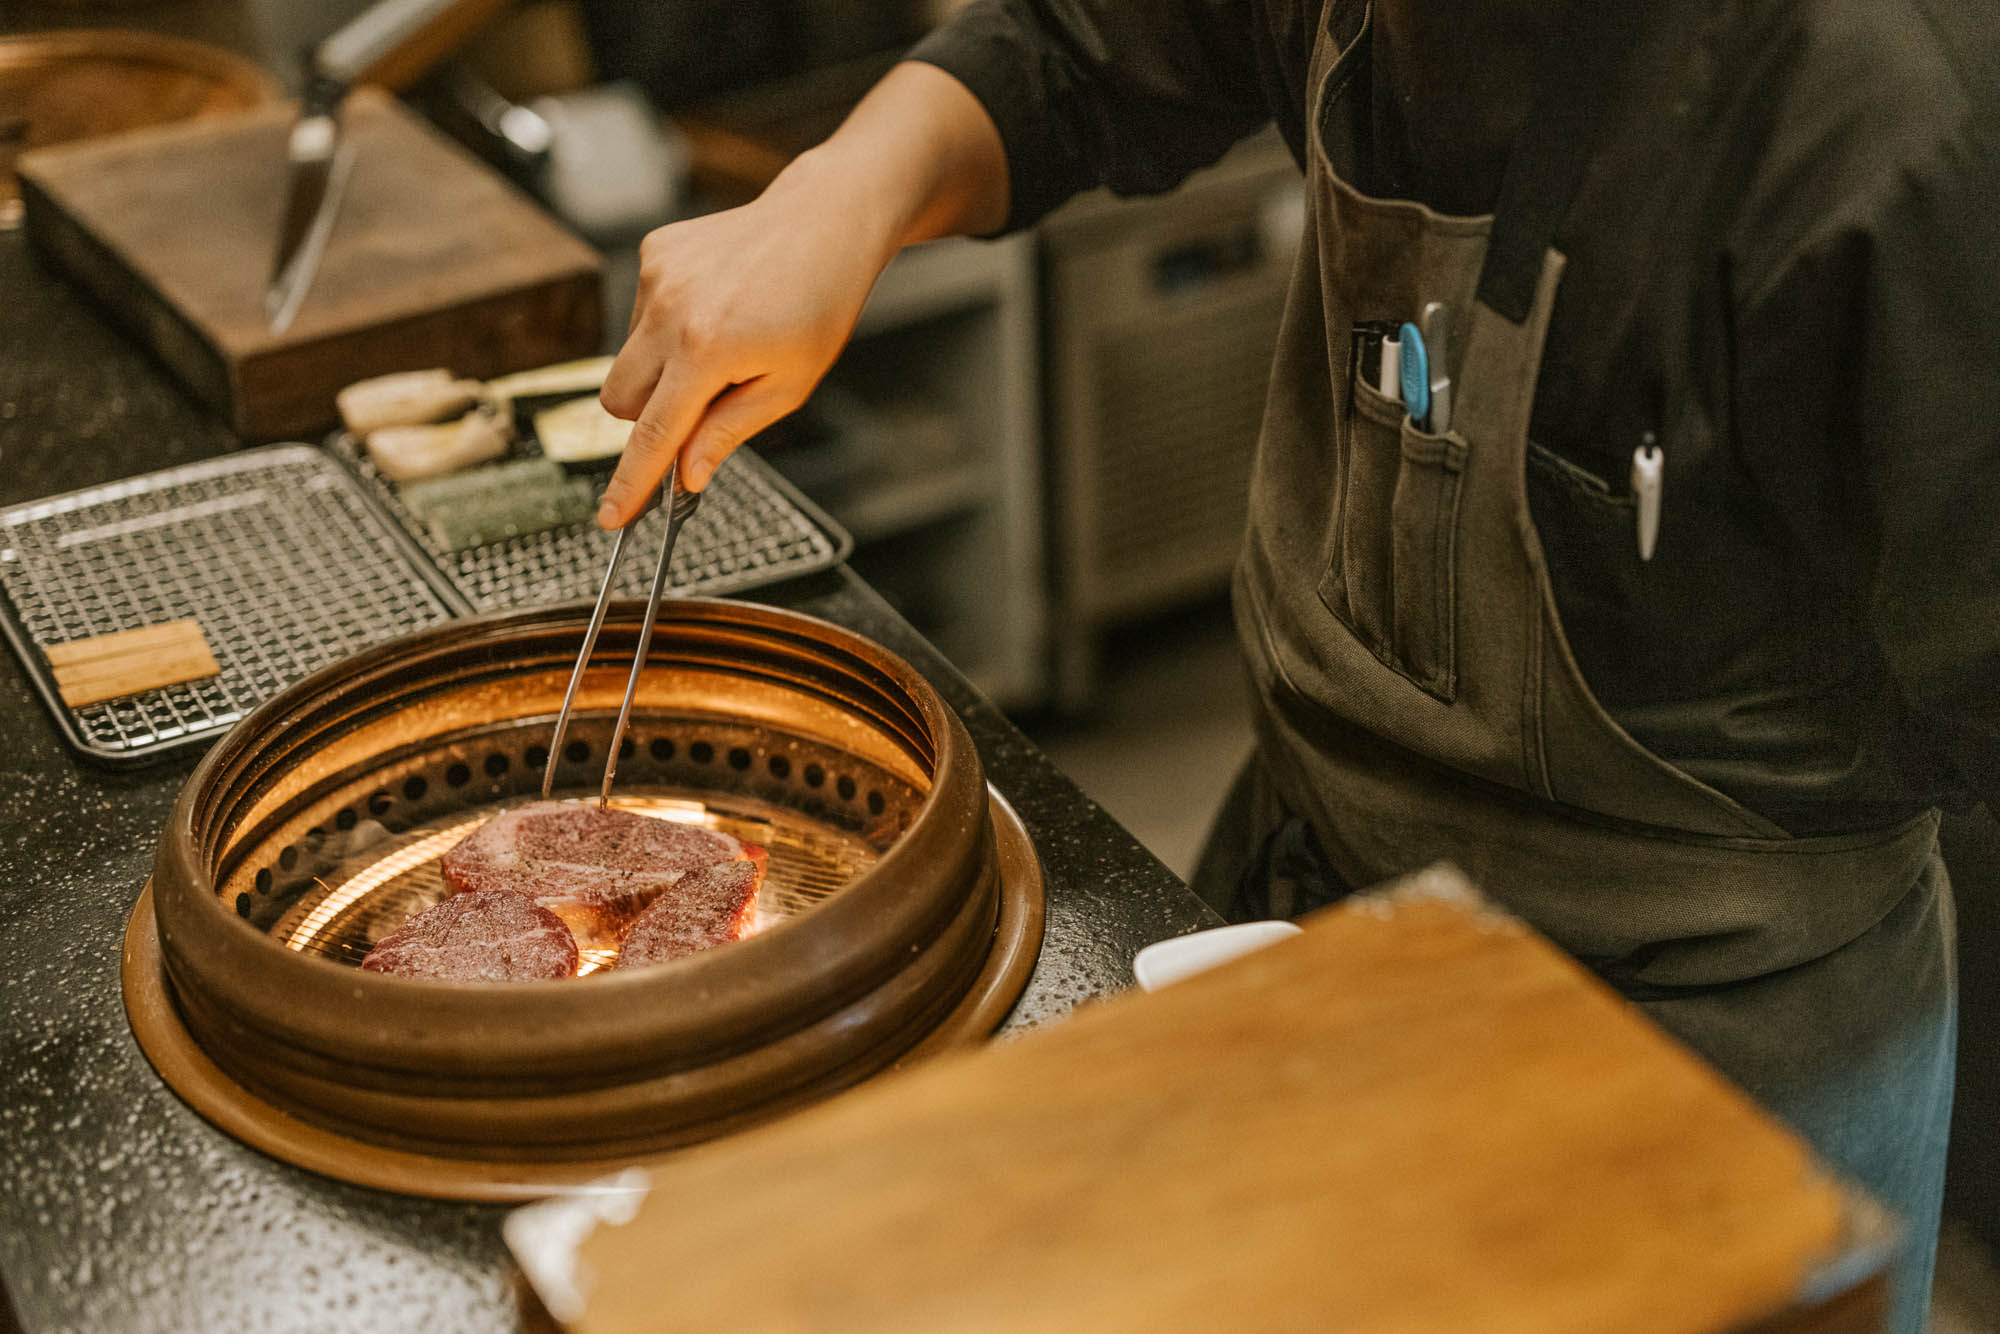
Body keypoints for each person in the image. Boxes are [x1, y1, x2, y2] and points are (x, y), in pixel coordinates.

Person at [593, 2, 1996, 1326]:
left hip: (1717, 1049)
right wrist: (833, 202)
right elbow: (1074, 48)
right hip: (1304, 908)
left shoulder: (1895, 110)